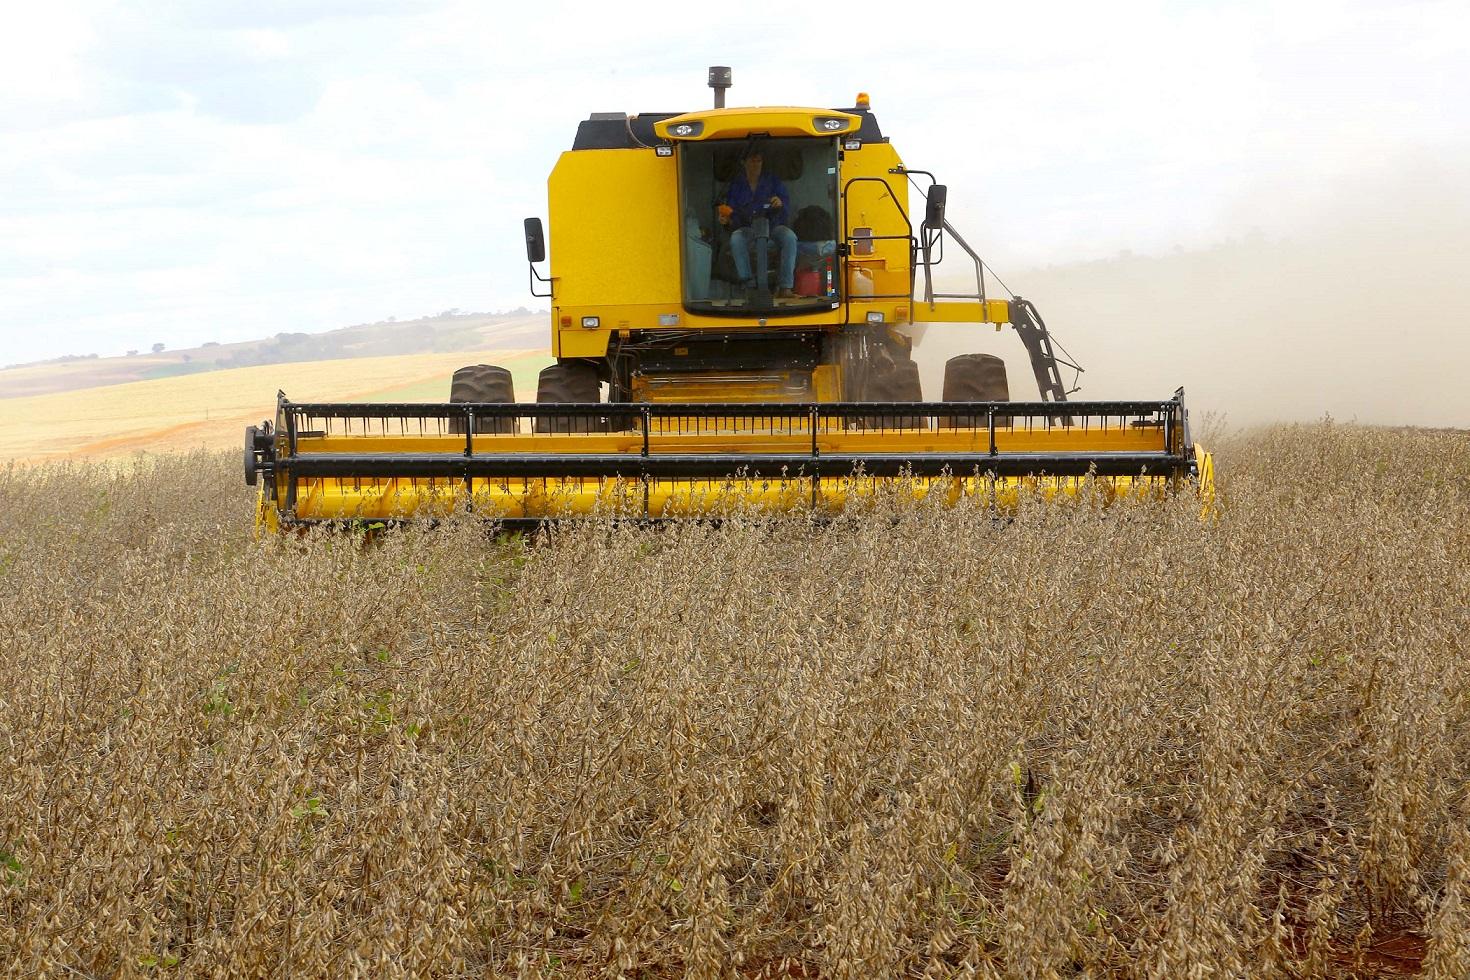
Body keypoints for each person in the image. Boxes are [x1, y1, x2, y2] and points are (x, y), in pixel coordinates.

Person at [718, 149, 798, 299]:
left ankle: (785, 287)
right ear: (744, 163)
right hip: (748, 228)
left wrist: (780, 203)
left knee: (789, 237)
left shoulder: (772, 180)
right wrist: (726, 219)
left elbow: (785, 205)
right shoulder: (736, 185)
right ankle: (749, 285)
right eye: (752, 161)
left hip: (773, 226)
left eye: (759, 161)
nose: (756, 164)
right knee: (736, 238)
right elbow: (730, 212)